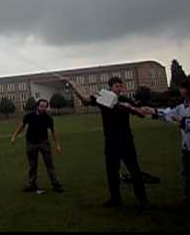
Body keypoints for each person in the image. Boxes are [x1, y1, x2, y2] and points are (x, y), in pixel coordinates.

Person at [61, 75, 148, 211]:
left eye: (120, 86)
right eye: (116, 86)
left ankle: (143, 200)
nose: (119, 89)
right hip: (111, 142)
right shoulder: (103, 98)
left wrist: (130, 108)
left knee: (134, 170)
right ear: (111, 87)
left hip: (126, 141)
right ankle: (115, 199)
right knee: (112, 172)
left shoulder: (125, 99)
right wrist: (73, 85)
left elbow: (142, 114)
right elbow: (85, 98)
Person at [138, 78, 190, 214]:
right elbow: (169, 113)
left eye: (182, 87)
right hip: (187, 148)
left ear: (189, 90)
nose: (180, 90)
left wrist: (180, 120)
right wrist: (153, 111)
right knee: (188, 177)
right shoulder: (182, 106)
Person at [11, 98, 64, 193]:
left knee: (49, 165)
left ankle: (56, 184)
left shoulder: (48, 118)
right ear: (37, 106)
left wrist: (57, 145)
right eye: (41, 106)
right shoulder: (30, 116)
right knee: (32, 166)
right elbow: (21, 125)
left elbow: (53, 131)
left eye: (45, 107)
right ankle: (32, 185)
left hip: (44, 143)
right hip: (31, 143)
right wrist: (14, 136)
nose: (43, 108)